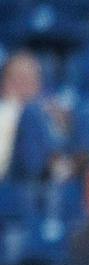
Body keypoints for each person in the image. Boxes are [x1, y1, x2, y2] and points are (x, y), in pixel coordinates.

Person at [0, 51, 68, 182]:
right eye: (17, 78)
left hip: (52, 178)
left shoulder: (51, 110)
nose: (23, 85)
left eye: (30, 79)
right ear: (4, 84)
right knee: (31, 115)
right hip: (11, 180)